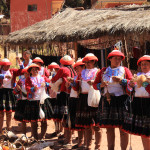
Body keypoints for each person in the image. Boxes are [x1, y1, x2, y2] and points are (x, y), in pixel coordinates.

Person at [93, 50, 133, 150]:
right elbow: (94, 84)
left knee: (123, 128)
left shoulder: (125, 70)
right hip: (107, 100)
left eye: (119, 58)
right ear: (110, 59)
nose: (117, 60)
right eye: (115, 58)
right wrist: (100, 85)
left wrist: (122, 80)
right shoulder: (103, 71)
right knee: (109, 128)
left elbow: (132, 83)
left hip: (122, 101)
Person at [73, 53, 102, 150]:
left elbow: (102, 85)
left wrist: (95, 83)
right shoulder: (81, 73)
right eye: (86, 62)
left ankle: (97, 147)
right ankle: (88, 145)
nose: (88, 63)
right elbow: (76, 87)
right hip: (83, 98)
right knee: (87, 124)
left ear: (94, 62)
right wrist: (72, 83)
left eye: (90, 61)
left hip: (94, 98)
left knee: (97, 125)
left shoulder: (98, 72)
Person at [123, 55, 150, 150]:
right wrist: (129, 85)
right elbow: (129, 91)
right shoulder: (137, 76)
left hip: (148, 104)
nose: (144, 66)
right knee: (144, 131)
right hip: (138, 104)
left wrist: (145, 84)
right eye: (142, 64)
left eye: (146, 64)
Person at [50, 55, 76, 145]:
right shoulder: (73, 70)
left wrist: (54, 80)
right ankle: (67, 137)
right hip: (72, 94)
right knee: (68, 116)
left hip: (64, 94)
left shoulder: (62, 69)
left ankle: (68, 140)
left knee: (65, 117)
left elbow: (54, 78)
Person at [25, 63, 53, 142]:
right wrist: (33, 88)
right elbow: (27, 88)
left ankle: (42, 136)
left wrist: (46, 84)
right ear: (30, 71)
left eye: (36, 69)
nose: (35, 71)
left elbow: (51, 84)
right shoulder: (28, 79)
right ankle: (35, 137)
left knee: (44, 120)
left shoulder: (43, 77)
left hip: (43, 100)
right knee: (34, 121)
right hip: (33, 101)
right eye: (33, 70)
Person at [66, 58, 85, 149]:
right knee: (76, 122)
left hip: (79, 100)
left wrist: (73, 83)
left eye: (78, 68)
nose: (76, 70)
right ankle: (80, 141)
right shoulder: (75, 77)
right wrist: (69, 85)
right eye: (76, 68)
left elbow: (78, 88)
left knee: (81, 122)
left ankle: (82, 142)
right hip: (73, 99)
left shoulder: (83, 77)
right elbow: (72, 89)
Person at [0, 58, 22, 134]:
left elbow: (21, 72)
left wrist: (20, 63)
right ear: (2, 65)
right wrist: (4, 76)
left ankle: (8, 129)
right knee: (1, 112)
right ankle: (0, 129)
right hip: (1, 92)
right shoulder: (0, 71)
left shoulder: (12, 71)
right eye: (6, 65)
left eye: (9, 65)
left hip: (10, 91)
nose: (8, 67)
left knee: (9, 112)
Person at [13, 67, 29, 135]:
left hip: (30, 101)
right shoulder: (21, 81)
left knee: (32, 119)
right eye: (25, 73)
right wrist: (17, 88)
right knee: (23, 119)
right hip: (22, 101)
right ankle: (24, 134)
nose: (26, 74)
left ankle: (33, 135)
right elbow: (15, 92)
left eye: (28, 73)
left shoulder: (33, 80)